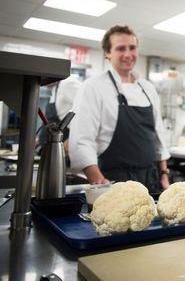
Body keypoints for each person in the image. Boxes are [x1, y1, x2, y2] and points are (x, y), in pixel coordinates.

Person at [69, 25, 170, 193]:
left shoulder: (148, 88)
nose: (128, 54)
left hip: (150, 180)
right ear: (107, 53)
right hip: (113, 181)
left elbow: (158, 136)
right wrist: (99, 182)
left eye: (132, 48)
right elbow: (81, 140)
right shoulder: (93, 87)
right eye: (120, 48)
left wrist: (164, 174)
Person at [37, 75, 81, 158]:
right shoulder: (55, 89)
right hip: (50, 149)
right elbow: (50, 122)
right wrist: (39, 139)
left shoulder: (67, 84)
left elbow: (86, 110)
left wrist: (72, 140)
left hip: (64, 148)